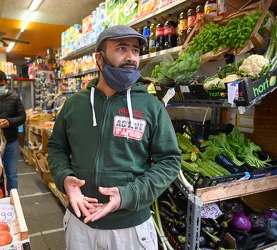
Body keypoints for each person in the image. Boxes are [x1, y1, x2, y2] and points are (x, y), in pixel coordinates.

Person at [47, 25, 182, 250]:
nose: (131, 57)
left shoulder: (151, 107)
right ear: (99, 59)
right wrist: (64, 179)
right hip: (81, 225)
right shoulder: (74, 104)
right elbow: (56, 147)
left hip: (130, 227)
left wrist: (128, 195)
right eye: (121, 48)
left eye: (136, 51)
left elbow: (169, 162)